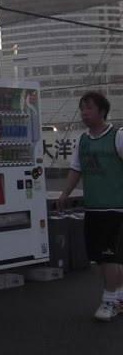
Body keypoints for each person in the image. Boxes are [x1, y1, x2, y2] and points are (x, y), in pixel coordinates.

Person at [59, 91, 123, 321]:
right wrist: (65, 193)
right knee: (103, 257)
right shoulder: (82, 140)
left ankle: (109, 301)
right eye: (82, 109)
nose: (84, 113)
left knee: (109, 257)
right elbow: (76, 169)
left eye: (89, 108)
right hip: (93, 207)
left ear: (102, 111)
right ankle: (119, 297)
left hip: (115, 208)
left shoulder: (118, 136)